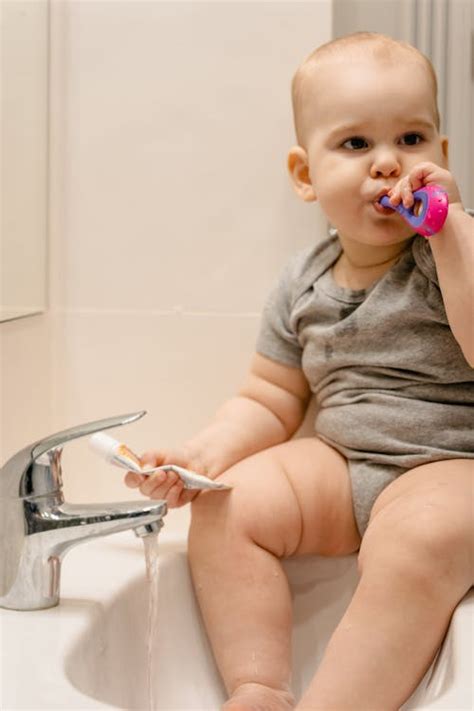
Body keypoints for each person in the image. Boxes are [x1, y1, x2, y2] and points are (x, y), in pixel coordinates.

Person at [125, 32, 474, 710]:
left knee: (418, 536)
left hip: (454, 465)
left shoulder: (447, 254)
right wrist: (199, 459)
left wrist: (453, 231)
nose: (386, 164)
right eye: (354, 145)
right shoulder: (304, 281)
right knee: (230, 504)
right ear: (304, 174)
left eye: (411, 139)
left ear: (443, 157)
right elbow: (268, 396)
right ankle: (259, 684)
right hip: (346, 465)